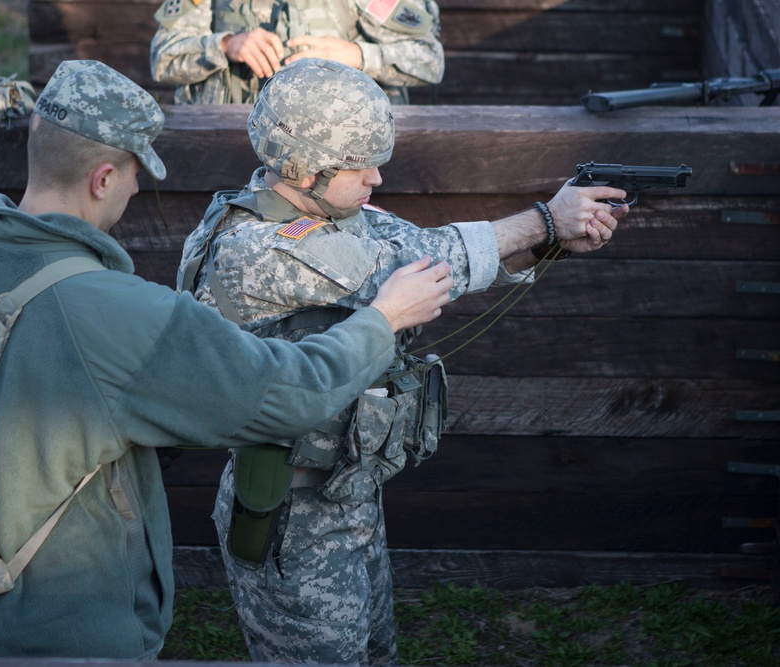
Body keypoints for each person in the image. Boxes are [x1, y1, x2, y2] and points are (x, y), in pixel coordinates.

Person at [0, 60, 455, 659]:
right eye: (134, 172)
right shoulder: (122, 312)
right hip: (70, 631)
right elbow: (288, 395)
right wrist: (384, 319)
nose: (137, 187)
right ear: (101, 179)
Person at [177, 57, 630, 666]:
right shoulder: (255, 250)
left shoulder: (335, 213)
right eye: (359, 163)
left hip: (348, 491)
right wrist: (544, 219)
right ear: (302, 168)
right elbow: (417, 262)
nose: (377, 176)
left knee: (375, 652)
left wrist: (551, 244)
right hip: (294, 515)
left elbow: (426, 257)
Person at [149, 0, 444, 104]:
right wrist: (224, 45)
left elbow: (429, 59)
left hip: (333, 163)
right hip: (225, 153)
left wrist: (356, 55)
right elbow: (163, 58)